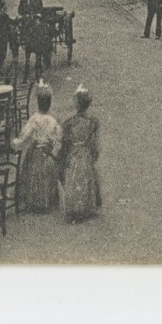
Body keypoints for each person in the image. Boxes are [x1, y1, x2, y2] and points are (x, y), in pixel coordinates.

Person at [12, 84, 61, 213]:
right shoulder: (53, 121)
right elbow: (58, 141)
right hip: (48, 156)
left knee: (30, 168)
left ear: (38, 103)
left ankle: (34, 201)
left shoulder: (34, 119)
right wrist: (53, 153)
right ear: (49, 104)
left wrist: (14, 142)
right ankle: (48, 200)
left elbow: (25, 137)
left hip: (36, 156)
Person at [59, 86, 102, 222]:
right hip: (85, 152)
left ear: (77, 104)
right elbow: (94, 141)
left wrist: (63, 155)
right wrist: (94, 154)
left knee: (73, 178)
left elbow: (65, 141)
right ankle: (86, 206)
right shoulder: (92, 122)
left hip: (74, 152)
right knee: (86, 176)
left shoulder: (69, 122)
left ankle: (75, 207)